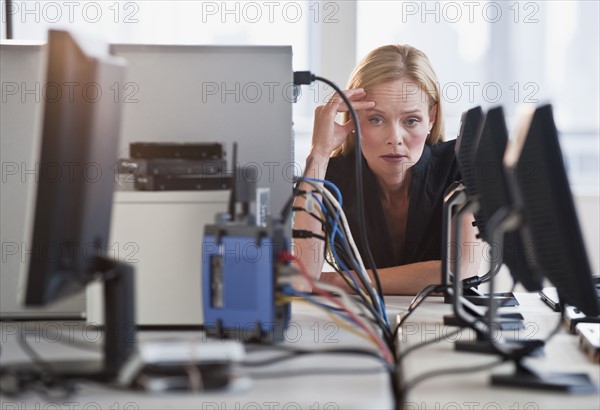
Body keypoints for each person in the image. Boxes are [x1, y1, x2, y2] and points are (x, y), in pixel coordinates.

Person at [293, 44, 482, 295]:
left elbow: (460, 269)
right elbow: (302, 277)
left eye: (411, 120)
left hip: (442, 327)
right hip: (358, 324)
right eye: (376, 119)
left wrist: (338, 281)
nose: (395, 138)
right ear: (353, 117)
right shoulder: (330, 176)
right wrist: (319, 152)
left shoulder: (457, 165)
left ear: (432, 118)